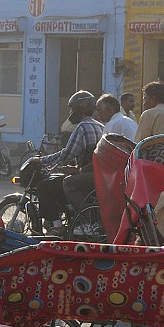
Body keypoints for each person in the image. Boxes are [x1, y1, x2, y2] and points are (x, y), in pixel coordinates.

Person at [32, 90, 104, 233]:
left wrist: (42, 160)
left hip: (87, 175)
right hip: (93, 172)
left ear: (79, 109)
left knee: (44, 187)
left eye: (72, 109)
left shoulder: (82, 127)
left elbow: (67, 153)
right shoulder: (99, 125)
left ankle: (60, 225)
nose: (70, 112)